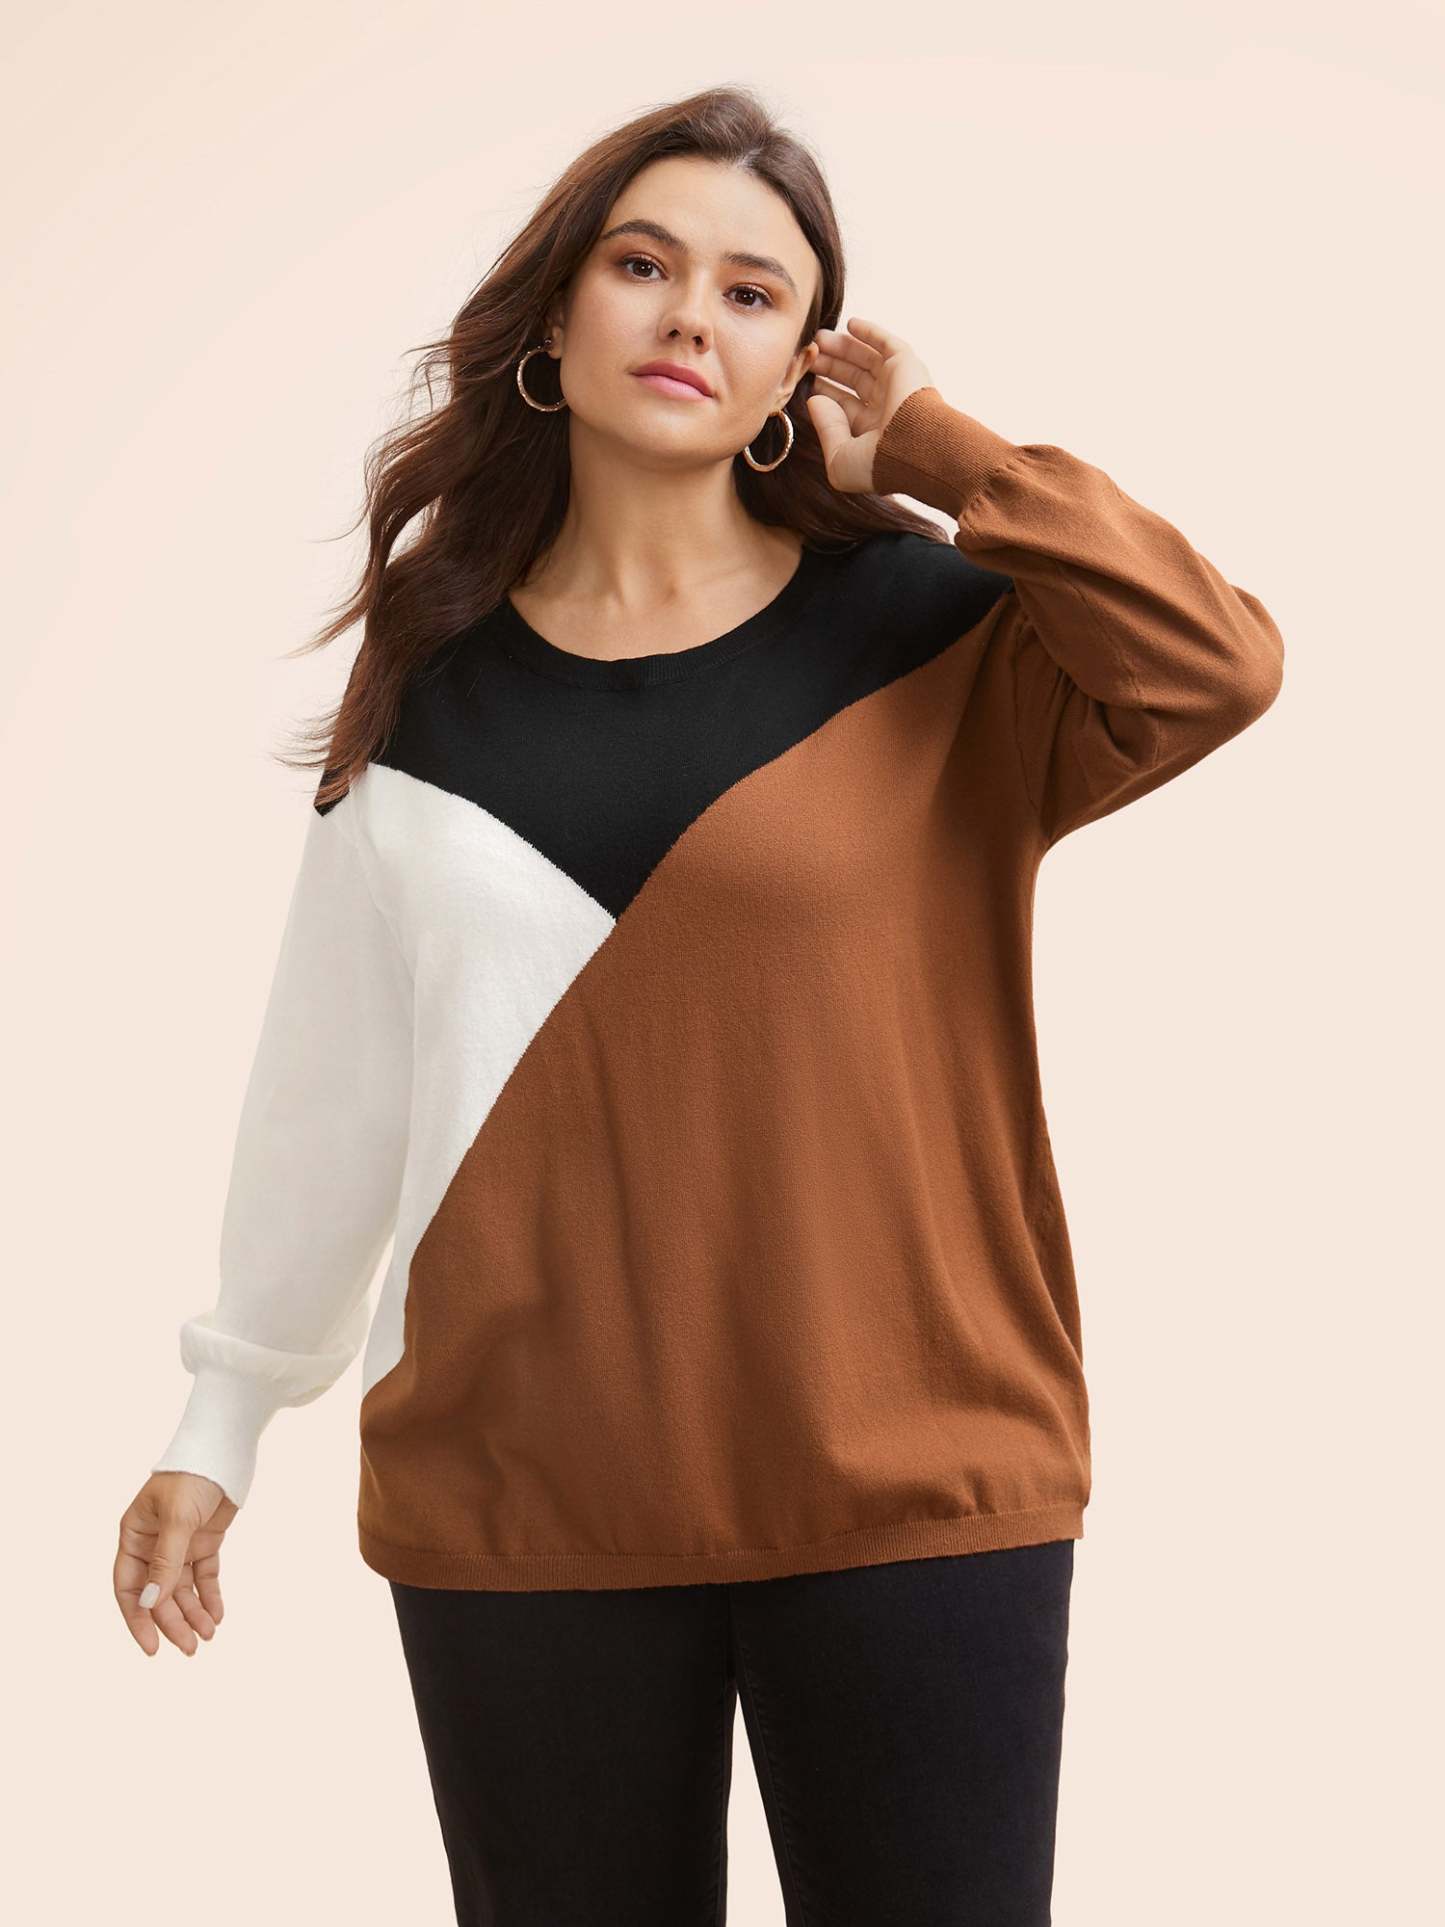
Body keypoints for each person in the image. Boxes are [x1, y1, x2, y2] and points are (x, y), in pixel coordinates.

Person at [114, 83, 1284, 1925]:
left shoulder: (933, 631)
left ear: (800, 365)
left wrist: (942, 450)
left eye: (752, 292)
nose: (687, 317)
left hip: (912, 1482)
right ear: (555, 318)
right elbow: (335, 1085)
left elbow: (1214, 663)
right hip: (524, 1494)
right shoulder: (430, 684)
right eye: (642, 265)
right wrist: (221, 1416)